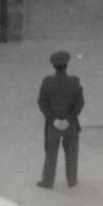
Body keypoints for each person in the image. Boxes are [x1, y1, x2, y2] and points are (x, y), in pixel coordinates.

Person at [37, 49, 84, 189]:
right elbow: (80, 103)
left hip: (53, 125)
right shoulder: (75, 82)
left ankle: (47, 181)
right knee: (71, 153)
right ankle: (72, 180)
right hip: (71, 125)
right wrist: (69, 119)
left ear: (53, 66)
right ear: (66, 65)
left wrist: (53, 120)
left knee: (51, 153)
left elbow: (42, 103)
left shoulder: (47, 83)